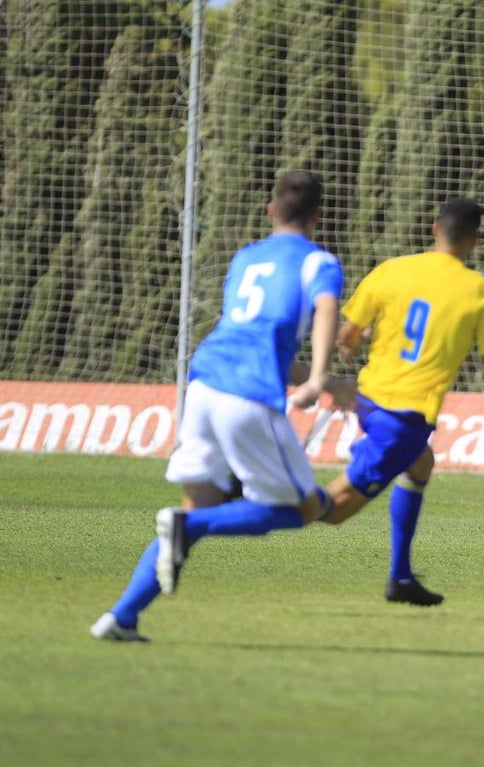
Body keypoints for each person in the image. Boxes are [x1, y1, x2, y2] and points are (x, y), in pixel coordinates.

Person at [91, 170, 345, 641]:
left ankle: (121, 617)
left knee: (196, 507)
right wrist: (317, 379)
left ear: (270, 210)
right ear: (318, 216)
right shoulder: (319, 263)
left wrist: (323, 380)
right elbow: (327, 310)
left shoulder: (246, 259)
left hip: (203, 383)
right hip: (246, 394)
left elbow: (254, 338)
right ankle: (187, 526)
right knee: (301, 509)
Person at [316, 197, 484, 606]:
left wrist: (362, 341)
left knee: (421, 463)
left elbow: (346, 339)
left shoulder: (392, 270)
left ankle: (400, 577)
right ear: (475, 240)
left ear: (435, 228)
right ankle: (220, 511)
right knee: (332, 510)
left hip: (368, 399)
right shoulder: (478, 293)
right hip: (404, 413)